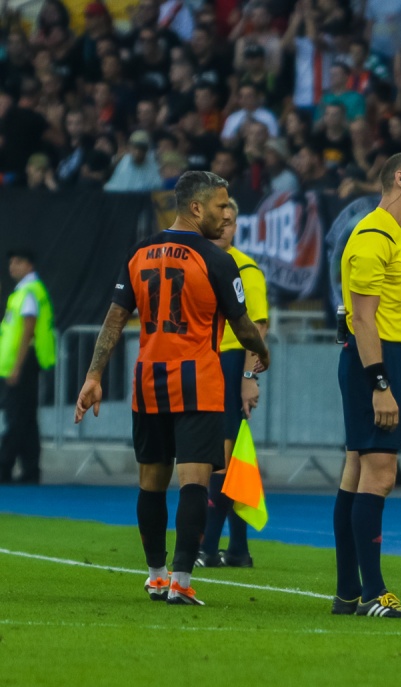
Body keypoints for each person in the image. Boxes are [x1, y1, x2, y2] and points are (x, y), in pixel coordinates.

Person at [74, 171, 270, 606]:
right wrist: (262, 351)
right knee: (195, 482)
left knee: (151, 483)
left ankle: (156, 576)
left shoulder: (139, 252)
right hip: (198, 381)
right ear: (196, 208)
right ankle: (181, 581)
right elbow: (243, 325)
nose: (227, 214)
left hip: (149, 381)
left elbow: (114, 319)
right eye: (221, 206)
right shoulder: (217, 259)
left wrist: (93, 376)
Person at [332, 152, 401, 619]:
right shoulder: (374, 235)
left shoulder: (390, 235)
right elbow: (363, 318)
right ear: (400, 179)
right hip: (376, 359)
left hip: (379, 355)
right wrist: (379, 382)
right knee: (380, 474)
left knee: (357, 470)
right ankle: (374, 593)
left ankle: (347, 593)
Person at [197, 198, 269, 568]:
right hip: (204, 362)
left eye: (229, 222)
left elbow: (258, 327)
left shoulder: (245, 268)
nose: (223, 228)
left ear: (236, 226)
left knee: (221, 459)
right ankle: (238, 549)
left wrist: (247, 378)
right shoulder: (198, 261)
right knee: (231, 458)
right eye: (218, 221)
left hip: (229, 362)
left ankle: (207, 546)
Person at [0, 249, 57, 485]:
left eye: (18, 262)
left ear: (29, 265)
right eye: (11, 262)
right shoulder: (24, 291)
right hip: (23, 362)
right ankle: (31, 469)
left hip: (23, 362)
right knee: (27, 419)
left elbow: (28, 330)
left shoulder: (29, 292)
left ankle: (4, 467)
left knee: (16, 418)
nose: (12, 266)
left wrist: (17, 366)